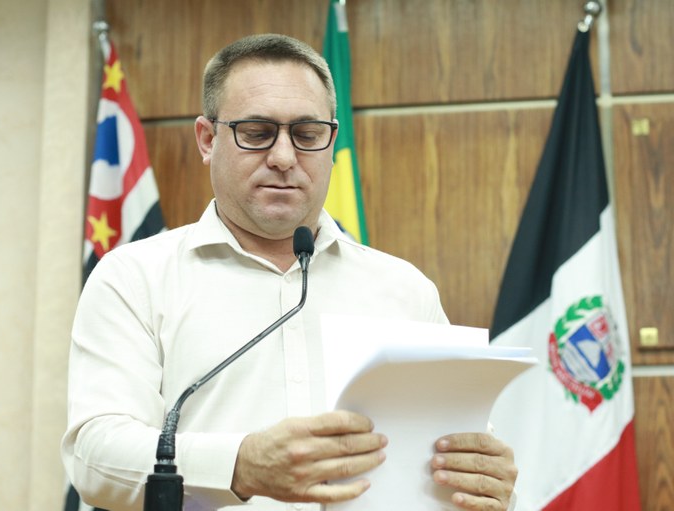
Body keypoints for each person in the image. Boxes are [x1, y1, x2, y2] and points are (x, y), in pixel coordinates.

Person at [62, 33, 517, 511]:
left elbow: (458, 455)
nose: (283, 157)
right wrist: (240, 464)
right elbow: (95, 456)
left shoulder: (404, 290)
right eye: (256, 132)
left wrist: (489, 483)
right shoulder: (134, 278)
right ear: (207, 139)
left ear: (331, 142)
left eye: (307, 134)